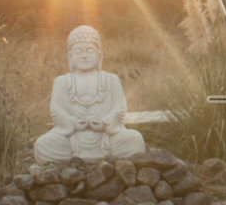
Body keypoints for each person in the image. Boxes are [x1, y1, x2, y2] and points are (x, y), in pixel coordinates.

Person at [33, 24, 146, 163]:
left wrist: (105, 122)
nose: (84, 55)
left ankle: (89, 158)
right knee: (43, 145)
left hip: (106, 135)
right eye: (78, 51)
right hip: (72, 136)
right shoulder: (61, 82)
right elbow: (56, 110)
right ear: (70, 56)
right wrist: (73, 122)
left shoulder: (111, 80)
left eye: (89, 50)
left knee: (135, 139)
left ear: (99, 55)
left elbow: (120, 108)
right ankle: (94, 157)